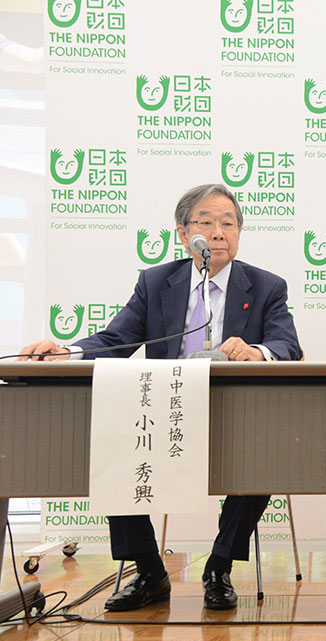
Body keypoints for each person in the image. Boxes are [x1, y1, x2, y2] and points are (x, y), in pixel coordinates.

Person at [18, 183, 301, 611]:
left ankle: (219, 568)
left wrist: (255, 351)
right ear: (184, 234)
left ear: (239, 234)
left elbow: (287, 345)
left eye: (228, 223)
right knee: (117, 447)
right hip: (168, 408)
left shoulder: (266, 286)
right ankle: (150, 573)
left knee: (263, 457)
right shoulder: (156, 282)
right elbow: (117, 339)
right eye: (206, 222)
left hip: (237, 413)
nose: (218, 232)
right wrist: (67, 350)